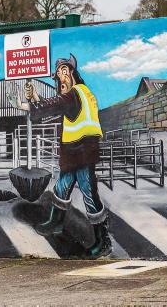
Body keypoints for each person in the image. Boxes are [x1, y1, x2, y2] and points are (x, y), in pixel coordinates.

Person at [21, 54, 112, 258]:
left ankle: (103, 241)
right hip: (75, 152)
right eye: (58, 75)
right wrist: (36, 98)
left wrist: (26, 105)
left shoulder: (75, 93)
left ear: (73, 74)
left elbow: (58, 103)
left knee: (89, 193)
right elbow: (58, 106)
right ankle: (56, 223)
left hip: (82, 153)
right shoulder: (82, 94)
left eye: (64, 72)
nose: (61, 78)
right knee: (62, 187)